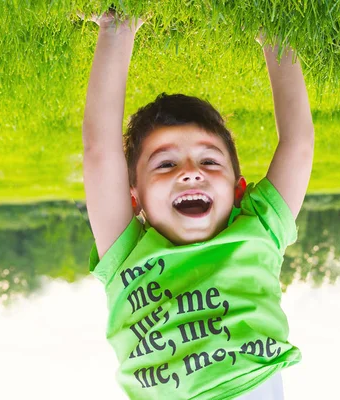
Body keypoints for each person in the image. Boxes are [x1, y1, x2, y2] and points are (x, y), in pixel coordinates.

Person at [81, 8, 314, 400]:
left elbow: (98, 152)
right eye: (166, 164)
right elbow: (299, 143)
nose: (190, 173)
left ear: (238, 189)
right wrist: (277, 35)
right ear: (133, 195)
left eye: (209, 161)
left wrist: (116, 30)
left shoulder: (125, 257)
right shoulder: (262, 231)